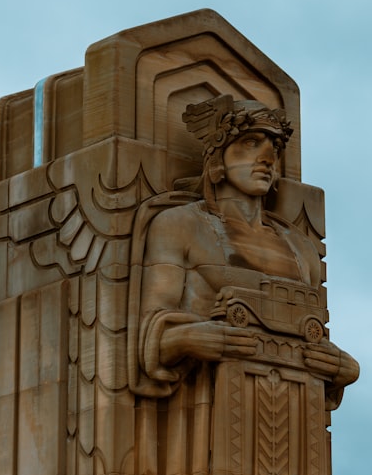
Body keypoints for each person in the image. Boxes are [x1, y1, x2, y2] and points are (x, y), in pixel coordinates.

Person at [135, 95, 358, 403]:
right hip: (207, 404)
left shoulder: (301, 248)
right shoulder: (179, 225)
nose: (267, 158)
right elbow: (150, 334)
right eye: (251, 143)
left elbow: (316, 345)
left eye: (275, 149)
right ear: (218, 155)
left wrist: (342, 366)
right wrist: (189, 338)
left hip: (293, 409)